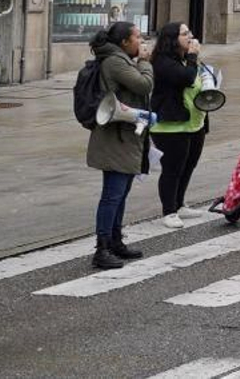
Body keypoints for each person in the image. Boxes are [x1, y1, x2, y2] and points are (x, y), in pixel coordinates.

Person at [86, 22, 152, 270]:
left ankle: (115, 241)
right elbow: (144, 85)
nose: (142, 40)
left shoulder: (120, 59)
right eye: (137, 37)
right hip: (114, 138)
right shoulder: (115, 62)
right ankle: (101, 249)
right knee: (112, 195)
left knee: (121, 193)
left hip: (124, 136)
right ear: (124, 42)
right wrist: (145, 62)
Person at [147, 22, 210, 229]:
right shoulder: (162, 62)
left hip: (195, 122)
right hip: (171, 126)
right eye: (185, 34)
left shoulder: (185, 60)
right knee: (172, 169)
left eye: (190, 32)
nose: (190, 37)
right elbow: (186, 78)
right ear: (172, 39)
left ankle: (180, 203)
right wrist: (192, 57)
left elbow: (198, 79)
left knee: (188, 165)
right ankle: (169, 211)